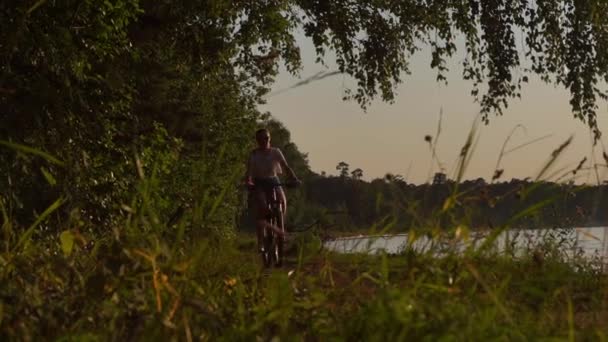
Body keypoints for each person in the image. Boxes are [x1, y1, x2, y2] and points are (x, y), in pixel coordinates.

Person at [244, 128, 300, 252]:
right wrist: (248, 182)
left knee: (282, 200)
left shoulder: (276, 152)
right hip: (259, 182)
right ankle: (261, 242)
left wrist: (294, 178)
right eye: (261, 139)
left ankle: (281, 229)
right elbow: (248, 173)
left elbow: (286, 167)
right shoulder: (254, 154)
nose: (264, 141)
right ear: (257, 140)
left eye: (266, 138)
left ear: (270, 139)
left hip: (273, 180)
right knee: (261, 208)